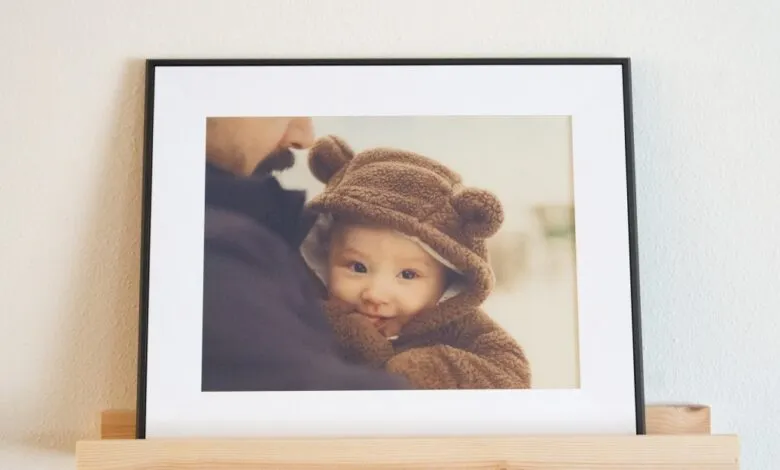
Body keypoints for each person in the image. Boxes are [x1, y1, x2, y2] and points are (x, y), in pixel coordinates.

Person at [298, 135, 532, 390]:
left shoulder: (461, 327)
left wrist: (429, 372)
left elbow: (511, 376)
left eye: (408, 275)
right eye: (358, 268)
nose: (376, 294)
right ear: (323, 258)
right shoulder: (304, 315)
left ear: (448, 281)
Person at [200, 117, 409, 391]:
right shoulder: (217, 257)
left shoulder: (273, 229)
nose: (305, 138)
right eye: (357, 267)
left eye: (408, 275)